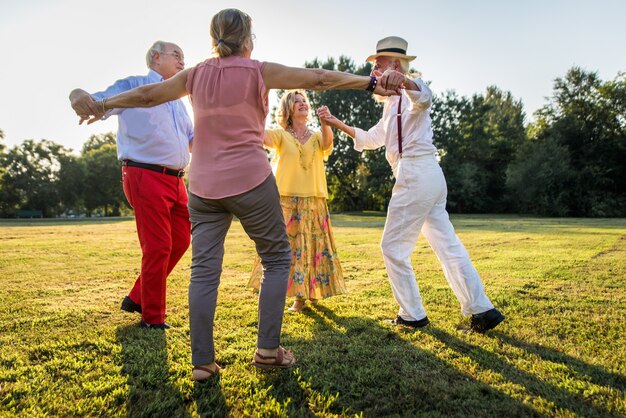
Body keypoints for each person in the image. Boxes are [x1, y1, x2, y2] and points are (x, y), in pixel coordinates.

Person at [76, 9, 402, 382]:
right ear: (248, 38)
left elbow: (150, 95)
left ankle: (202, 363)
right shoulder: (258, 70)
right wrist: (370, 83)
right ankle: (267, 351)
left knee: (204, 270)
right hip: (249, 180)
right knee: (278, 258)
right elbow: (319, 78)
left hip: (201, 187)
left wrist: (104, 105)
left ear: (214, 39)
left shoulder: (196, 73)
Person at [317, 36, 505, 333]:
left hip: (417, 174)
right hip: (428, 176)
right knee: (448, 246)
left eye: (378, 63)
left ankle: (412, 314)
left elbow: (425, 96)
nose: (374, 69)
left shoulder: (413, 89)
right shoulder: (390, 106)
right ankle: (482, 309)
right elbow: (371, 138)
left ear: (395, 63)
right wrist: (335, 122)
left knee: (392, 247)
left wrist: (404, 80)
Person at [69, 41, 193, 330]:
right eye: (177, 55)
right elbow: (99, 101)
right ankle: (153, 317)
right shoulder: (134, 85)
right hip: (144, 174)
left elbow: (191, 139)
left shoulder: (178, 101)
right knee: (159, 245)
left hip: (177, 180)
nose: (182, 61)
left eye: (184, 57)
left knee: (182, 240)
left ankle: (137, 296)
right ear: (155, 57)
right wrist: (77, 94)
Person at [247, 90, 347, 312]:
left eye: (305, 102)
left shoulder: (317, 135)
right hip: (286, 201)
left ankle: (312, 292)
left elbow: (327, 144)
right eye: (297, 102)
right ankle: (298, 296)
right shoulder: (282, 136)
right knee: (290, 249)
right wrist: (258, 107)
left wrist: (326, 122)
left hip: (314, 199)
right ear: (288, 109)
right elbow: (259, 135)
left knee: (314, 246)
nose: (303, 104)